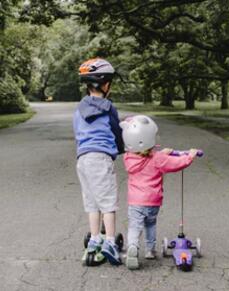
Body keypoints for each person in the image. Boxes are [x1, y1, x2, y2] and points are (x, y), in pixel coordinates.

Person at [119, 115, 198, 270]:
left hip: (135, 201)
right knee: (150, 225)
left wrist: (162, 152)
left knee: (135, 226)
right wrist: (190, 156)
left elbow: (144, 154)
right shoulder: (158, 158)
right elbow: (176, 163)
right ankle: (150, 250)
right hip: (153, 201)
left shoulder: (128, 157)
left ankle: (132, 247)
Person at [73, 58, 124, 265]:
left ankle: (94, 239)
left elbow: (77, 132)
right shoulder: (108, 107)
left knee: (92, 203)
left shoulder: (78, 109)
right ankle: (110, 242)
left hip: (83, 159)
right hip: (100, 159)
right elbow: (117, 132)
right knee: (108, 204)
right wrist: (122, 149)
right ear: (106, 85)